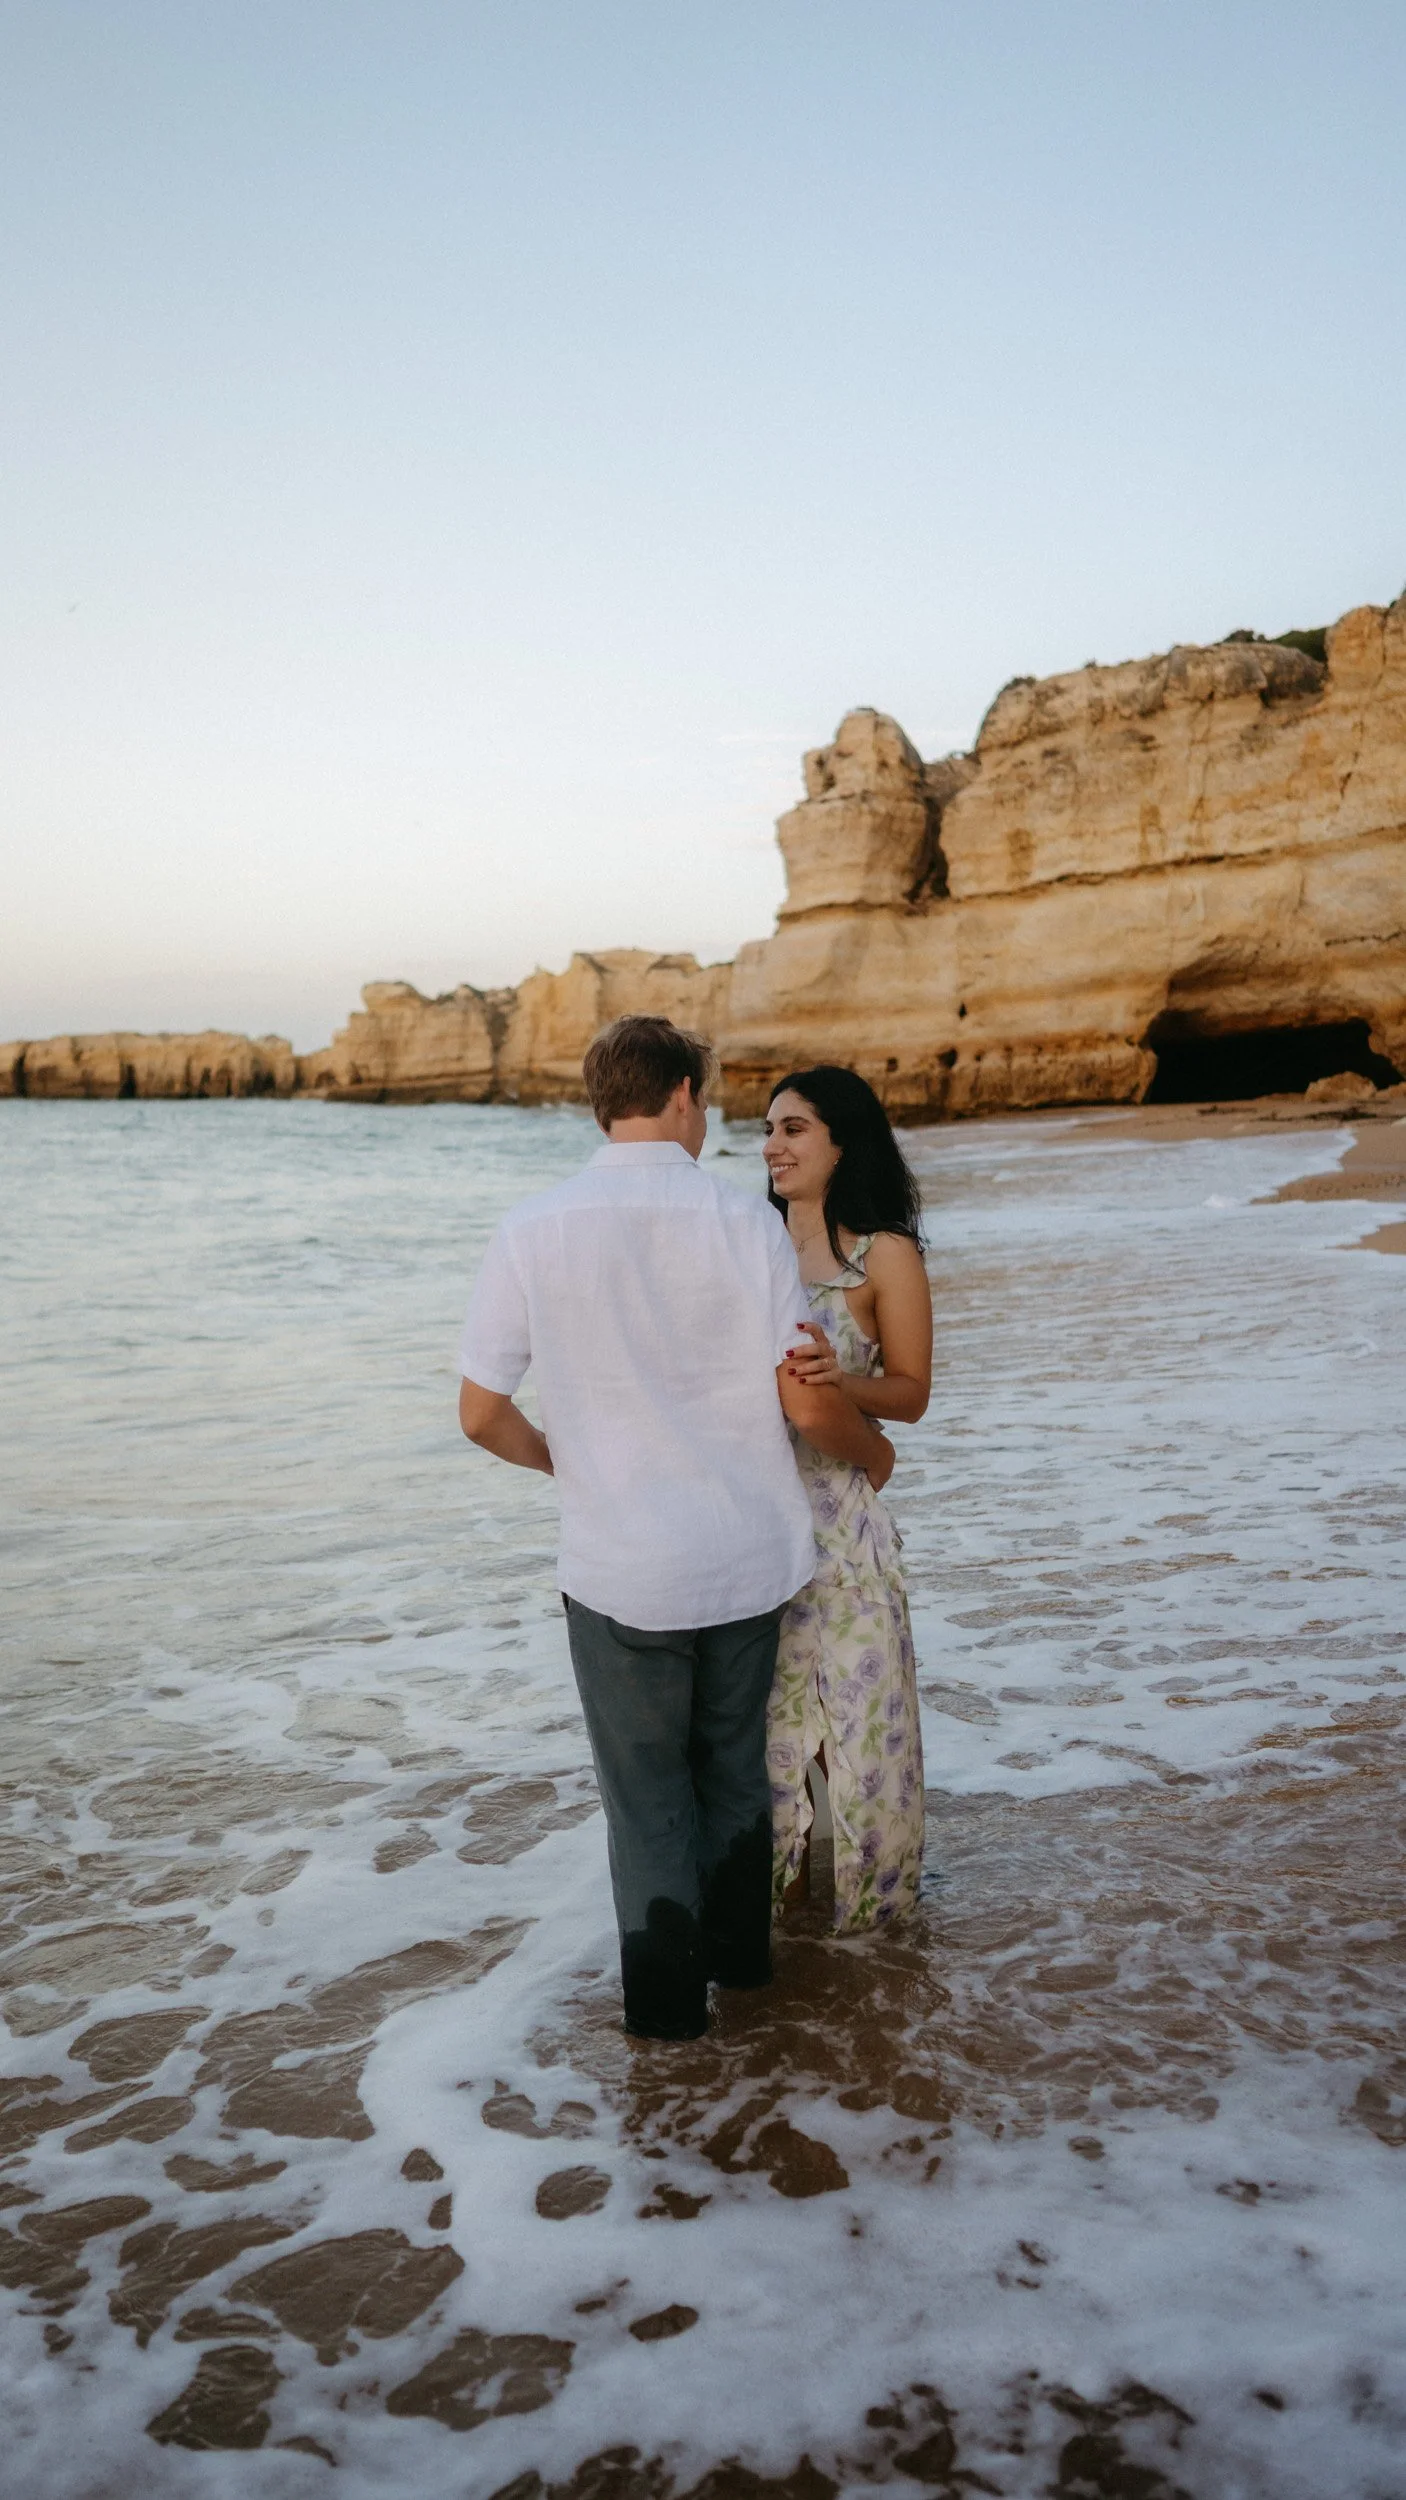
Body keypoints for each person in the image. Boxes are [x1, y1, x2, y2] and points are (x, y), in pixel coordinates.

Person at [456, 1016, 894, 2043]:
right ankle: (745, 1979)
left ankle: (666, 2033)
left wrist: (564, 1459)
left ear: (601, 1102)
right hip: (747, 1556)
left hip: (620, 1571)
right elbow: (800, 1397)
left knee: (646, 1801)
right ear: (686, 1096)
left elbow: (480, 1413)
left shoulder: (534, 1227)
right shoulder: (744, 1223)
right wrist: (875, 1455)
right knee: (735, 1772)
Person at [761, 1066, 931, 1932]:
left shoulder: (882, 1254)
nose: (773, 1147)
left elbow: (910, 1392)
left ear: (841, 1142)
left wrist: (844, 1384)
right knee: (771, 1760)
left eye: (794, 1129)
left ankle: (876, 1954)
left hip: (843, 1530)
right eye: (768, 1129)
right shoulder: (744, 1242)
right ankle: (781, 1963)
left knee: (865, 1749)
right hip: (753, 1535)